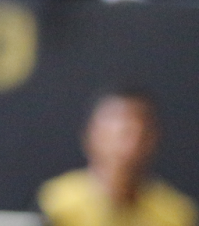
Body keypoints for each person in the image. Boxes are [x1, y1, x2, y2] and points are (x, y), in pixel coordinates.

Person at [39, 91, 195, 226]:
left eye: (139, 134)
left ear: (152, 139)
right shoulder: (55, 204)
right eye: (121, 133)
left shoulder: (175, 213)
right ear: (91, 134)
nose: (129, 145)